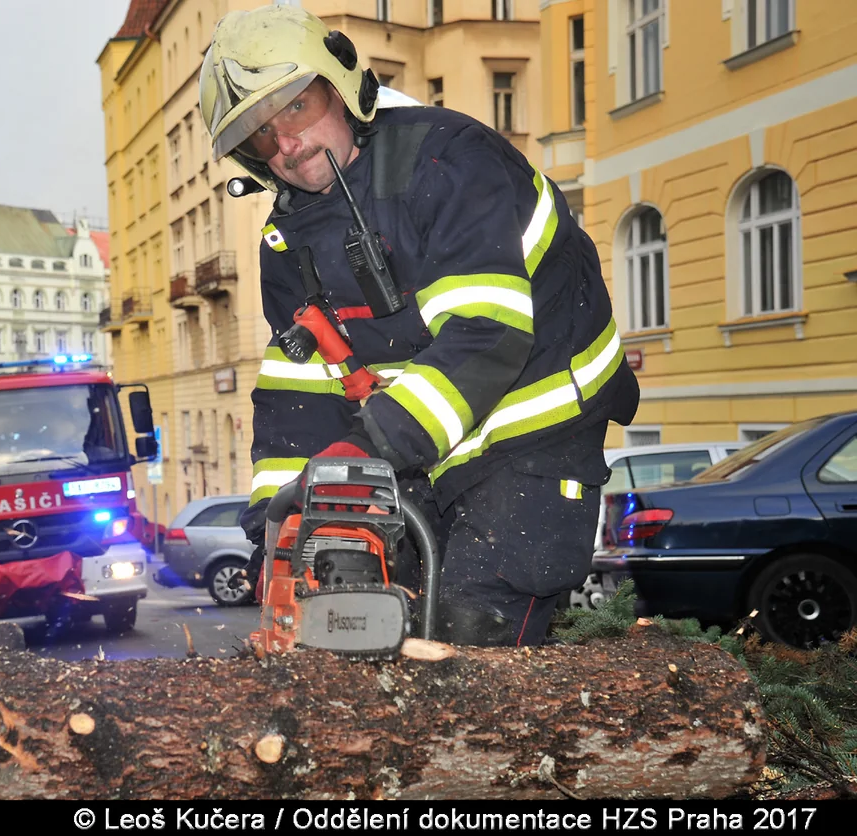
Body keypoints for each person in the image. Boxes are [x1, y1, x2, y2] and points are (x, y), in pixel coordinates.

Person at [198, 5, 640, 647]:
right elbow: (301, 388)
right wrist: (280, 522)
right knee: (369, 612)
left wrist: (361, 451)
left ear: (340, 85)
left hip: (533, 431)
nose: (286, 144)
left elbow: (486, 336)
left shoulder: (451, 163)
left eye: (294, 108)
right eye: (261, 135)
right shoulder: (284, 241)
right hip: (420, 442)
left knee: (468, 626)